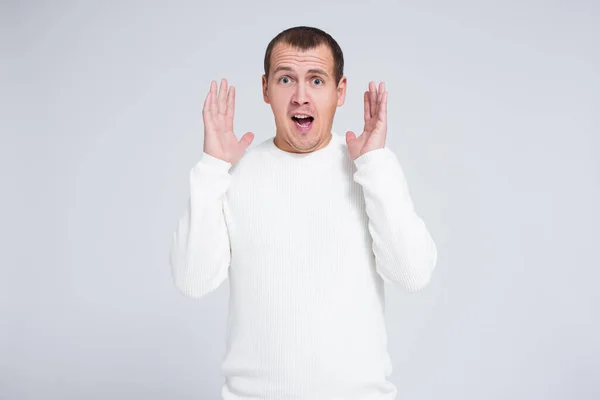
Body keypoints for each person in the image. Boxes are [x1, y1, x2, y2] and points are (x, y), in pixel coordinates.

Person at [169, 25, 438, 400]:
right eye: (285, 79)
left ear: (339, 91)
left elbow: (413, 273)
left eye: (316, 80)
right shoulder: (232, 175)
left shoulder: (370, 171)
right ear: (265, 89)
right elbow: (192, 281)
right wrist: (212, 167)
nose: (300, 97)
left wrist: (374, 164)